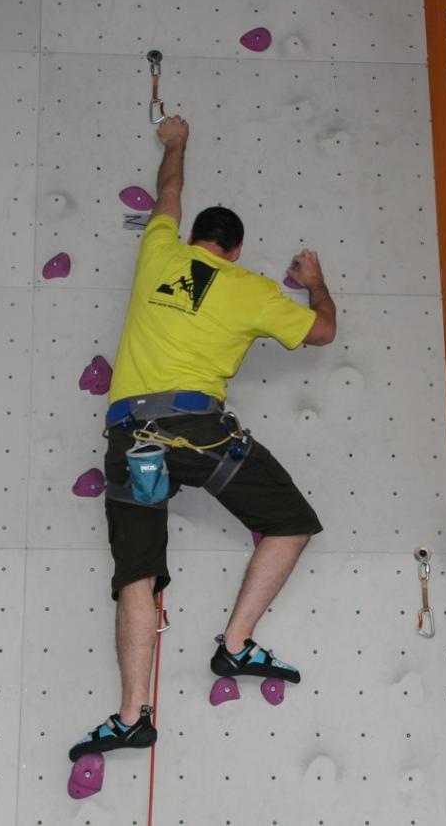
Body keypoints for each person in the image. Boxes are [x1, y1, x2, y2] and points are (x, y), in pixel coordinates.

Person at [68, 114, 337, 762]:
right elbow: (323, 331)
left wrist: (176, 142)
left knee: (137, 575)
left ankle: (132, 715)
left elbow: (169, 191)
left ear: (191, 237)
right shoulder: (251, 290)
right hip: (198, 435)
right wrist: (315, 282)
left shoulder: (159, 250)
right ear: (236, 252)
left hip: (134, 439)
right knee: (291, 522)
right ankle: (235, 645)